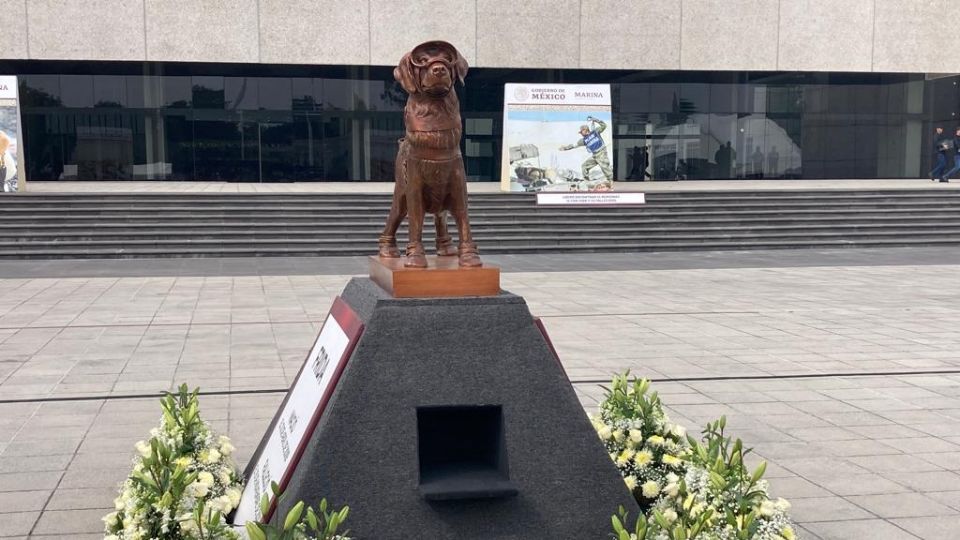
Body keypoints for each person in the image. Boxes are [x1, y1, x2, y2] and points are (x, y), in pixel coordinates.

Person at [559, 116, 613, 184]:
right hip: (595, 156)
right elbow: (574, 145)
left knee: (604, 168)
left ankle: (611, 181)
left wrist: (595, 120)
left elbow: (604, 126)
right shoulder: (583, 140)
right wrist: (565, 148)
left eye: (581, 132)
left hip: (602, 153)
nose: (581, 133)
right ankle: (587, 181)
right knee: (584, 166)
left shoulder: (595, 132)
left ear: (585, 130)